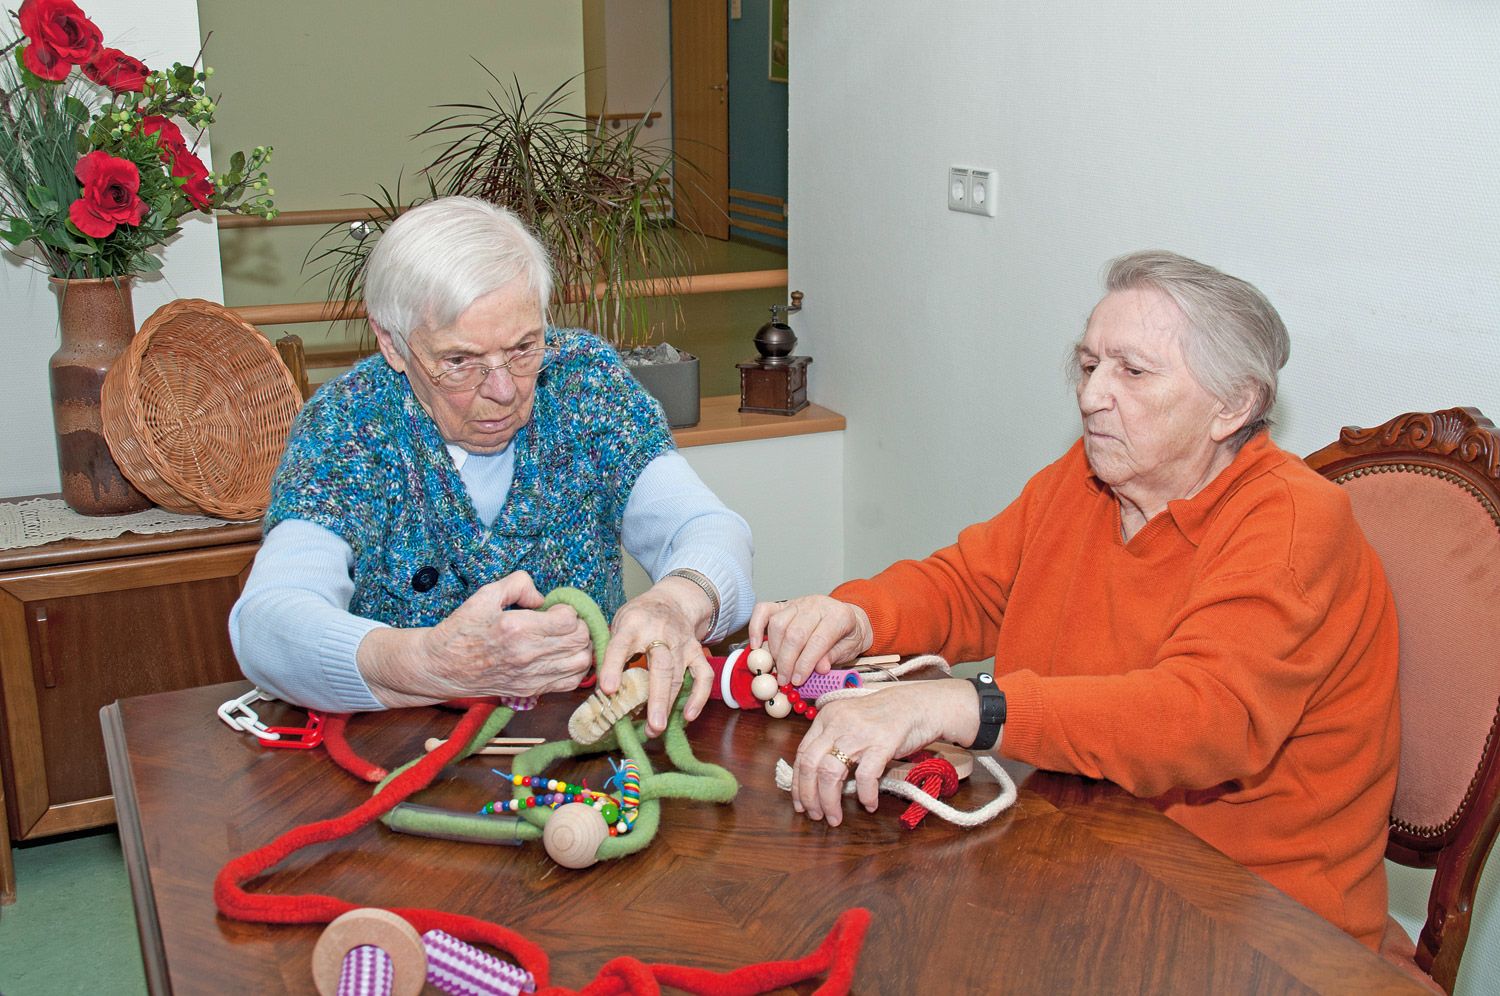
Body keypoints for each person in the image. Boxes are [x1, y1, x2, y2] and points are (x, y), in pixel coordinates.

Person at [749, 250, 1400, 949]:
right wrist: (857, 616)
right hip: (1079, 842)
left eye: (1133, 372)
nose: (1092, 396)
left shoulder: (1293, 523)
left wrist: (963, 704)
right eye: (1089, 366)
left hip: (1256, 917)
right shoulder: (1090, 477)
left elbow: (1201, 718)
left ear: (1233, 405)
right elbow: (972, 586)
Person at [231, 196, 752, 735]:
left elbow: (707, 529)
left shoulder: (583, 384)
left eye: (525, 347)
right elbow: (267, 623)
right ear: (392, 343)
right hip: (404, 758)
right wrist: (426, 663)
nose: (503, 391)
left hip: (588, 749)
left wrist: (677, 601)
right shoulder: (350, 425)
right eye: (459, 361)